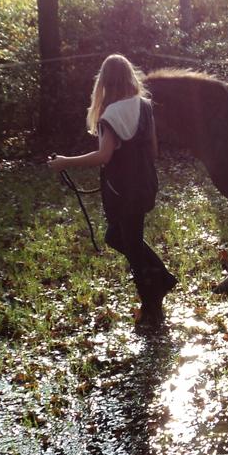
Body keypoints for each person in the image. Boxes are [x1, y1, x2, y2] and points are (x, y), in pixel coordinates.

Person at [48, 54, 176, 325]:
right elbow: (153, 149)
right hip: (144, 184)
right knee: (118, 238)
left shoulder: (111, 114)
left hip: (122, 189)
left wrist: (65, 162)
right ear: (130, 76)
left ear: (104, 81)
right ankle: (161, 280)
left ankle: (153, 307)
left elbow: (104, 156)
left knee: (128, 243)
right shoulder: (144, 106)